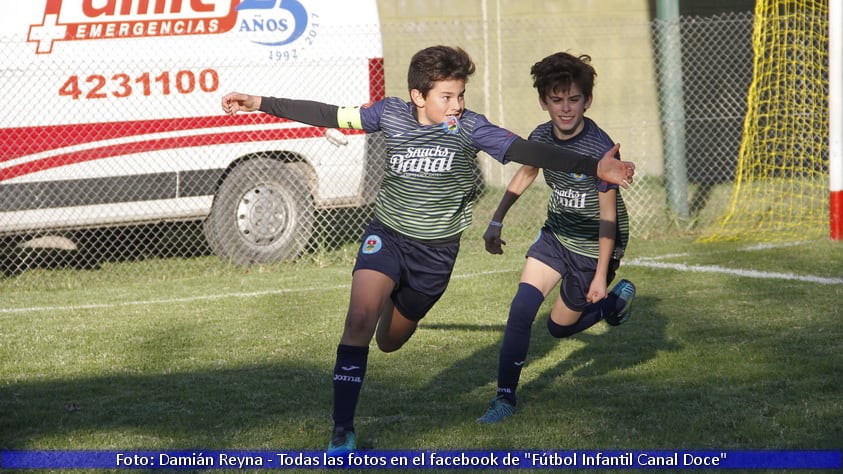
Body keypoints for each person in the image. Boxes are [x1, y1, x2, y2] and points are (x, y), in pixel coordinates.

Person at [220, 45, 635, 453]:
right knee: (360, 318)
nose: (456, 105)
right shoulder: (389, 114)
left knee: (389, 341)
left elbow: (526, 152)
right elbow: (330, 114)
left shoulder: (472, 127)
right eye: (447, 97)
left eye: (460, 96)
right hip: (387, 235)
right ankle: (341, 431)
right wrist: (259, 102)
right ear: (419, 96)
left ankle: (395, 297)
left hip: (435, 255)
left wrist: (592, 166)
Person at [476, 52, 636, 424]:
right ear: (544, 101)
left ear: (587, 101)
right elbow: (527, 172)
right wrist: (496, 220)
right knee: (520, 311)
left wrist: (600, 275)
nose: (566, 108)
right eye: (557, 99)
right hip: (557, 234)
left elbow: (608, 218)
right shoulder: (542, 135)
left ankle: (612, 303)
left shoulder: (601, 148)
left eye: (574, 99)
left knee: (558, 328)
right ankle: (505, 399)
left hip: (594, 246)